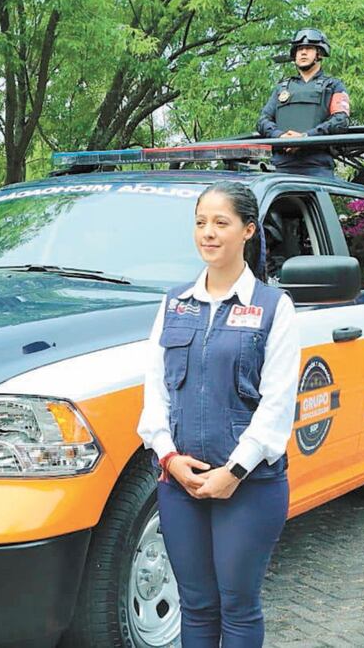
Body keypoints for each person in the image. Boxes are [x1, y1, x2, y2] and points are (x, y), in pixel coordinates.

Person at [137, 181, 300, 647]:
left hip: (250, 486)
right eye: (200, 222)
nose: (208, 233)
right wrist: (169, 458)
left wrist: (235, 470)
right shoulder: (174, 304)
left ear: (248, 230)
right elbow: (156, 394)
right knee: (197, 605)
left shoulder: (274, 308)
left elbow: (277, 405)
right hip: (180, 483)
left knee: (238, 606)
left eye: (221, 223)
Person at [256, 28, 350, 177]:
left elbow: (340, 121)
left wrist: (306, 138)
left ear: (319, 53)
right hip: (280, 167)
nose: (303, 52)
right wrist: (280, 137)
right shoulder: (281, 88)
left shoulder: (333, 86)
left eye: (308, 48)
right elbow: (263, 121)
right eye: (299, 49)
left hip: (317, 167)